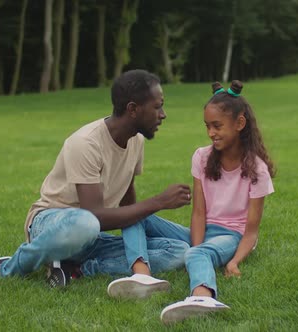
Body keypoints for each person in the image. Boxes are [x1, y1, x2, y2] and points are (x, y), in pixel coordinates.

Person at [0, 69, 192, 299]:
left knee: (178, 251)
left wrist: (140, 249)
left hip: (91, 237)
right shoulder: (86, 143)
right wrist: (159, 201)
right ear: (132, 109)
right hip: (55, 224)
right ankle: (8, 268)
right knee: (85, 223)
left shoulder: (136, 141)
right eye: (157, 107)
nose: (163, 114)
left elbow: (128, 205)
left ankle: (75, 268)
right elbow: (94, 215)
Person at [120, 80, 275, 323]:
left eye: (217, 126)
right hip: (202, 230)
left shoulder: (257, 169)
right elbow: (199, 213)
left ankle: (203, 297)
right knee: (134, 213)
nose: (211, 132)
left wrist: (234, 261)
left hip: (231, 236)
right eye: (207, 126)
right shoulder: (201, 158)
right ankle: (143, 276)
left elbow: (251, 231)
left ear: (240, 124)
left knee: (197, 255)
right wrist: (196, 245)